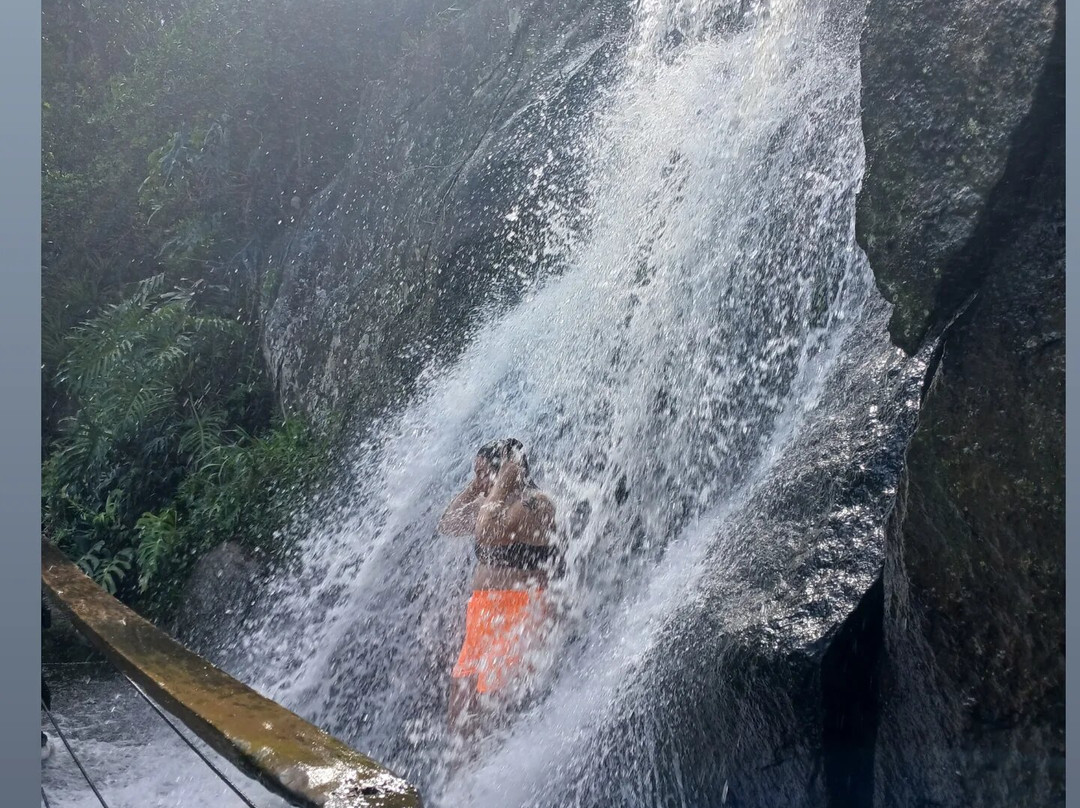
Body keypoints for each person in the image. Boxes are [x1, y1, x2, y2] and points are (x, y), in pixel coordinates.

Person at [438, 439, 558, 735]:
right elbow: (447, 524)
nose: (478, 480)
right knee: (461, 706)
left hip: (518, 611)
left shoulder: (536, 502)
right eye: (474, 473)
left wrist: (504, 479)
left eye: (482, 473)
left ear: (508, 471)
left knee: (494, 706)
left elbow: (488, 532)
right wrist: (476, 488)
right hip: (482, 614)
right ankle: (461, 776)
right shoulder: (489, 505)